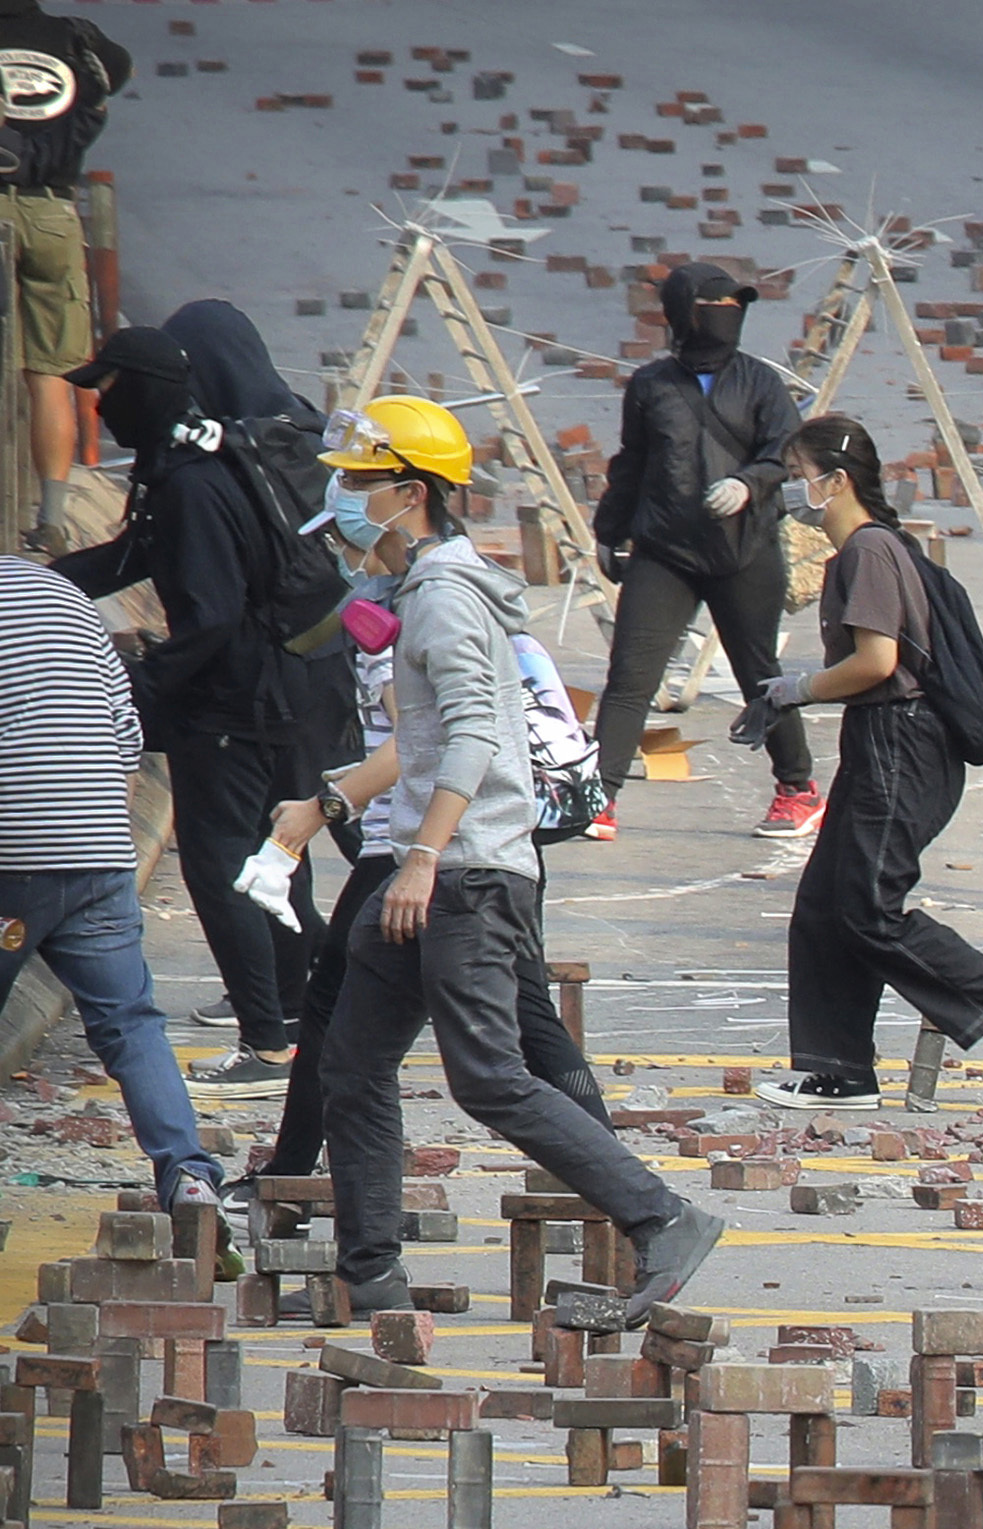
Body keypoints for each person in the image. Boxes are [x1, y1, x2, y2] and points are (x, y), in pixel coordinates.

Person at [303, 397, 716, 1330]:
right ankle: (371, 1278)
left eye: (359, 483)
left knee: (488, 1074)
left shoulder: (446, 597)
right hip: (435, 867)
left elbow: (479, 734)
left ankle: (666, 1219)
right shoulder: (418, 590)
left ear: (410, 495)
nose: (344, 498)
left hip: (466, 875)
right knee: (353, 1062)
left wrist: (421, 857)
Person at [250, 529, 618, 1227]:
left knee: (481, 1060)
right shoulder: (433, 593)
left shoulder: (430, 604)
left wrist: (337, 811)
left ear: (409, 499)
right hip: (464, 848)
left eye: (352, 504)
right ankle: (346, 1229)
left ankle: (638, 1207)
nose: (340, 538)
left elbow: (433, 738)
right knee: (392, 1036)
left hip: (437, 850)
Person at [50, 320, 351, 1091]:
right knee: (271, 862)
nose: (101, 411)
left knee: (223, 870)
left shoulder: (189, 482)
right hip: (273, 685)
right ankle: (298, 1010)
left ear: (144, 392)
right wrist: (45, 581)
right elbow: (134, 557)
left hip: (229, 703)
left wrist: (139, 691)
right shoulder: (192, 465)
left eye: (109, 393)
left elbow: (211, 615)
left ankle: (268, 1040)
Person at [750, 416, 983, 1115]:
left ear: (836, 481)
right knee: (825, 906)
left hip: (902, 743)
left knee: (867, 909)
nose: (794, 493)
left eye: (801, 476)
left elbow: (877, 663)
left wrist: (794, 689)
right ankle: (838, 1070)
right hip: (879, 741)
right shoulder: (863, 552)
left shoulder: (869, 552)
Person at [0, 545, 222, 1212]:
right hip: (98, 841)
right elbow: (127, 734)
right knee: (130, 1023)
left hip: (14, 849)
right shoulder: (64, 598)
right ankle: (189, 1176)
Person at [589, 261, 813, 842]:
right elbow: (631, 464)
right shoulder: (651, 385)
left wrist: (749, 484)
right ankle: (598, 796)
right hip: (665, 550)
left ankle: (798, 788)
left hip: (747, 548)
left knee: (759, 673)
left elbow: (785, 449)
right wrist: (609, 532)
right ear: (684, 313)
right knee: (630, 676)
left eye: (735, 308)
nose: (726, 317)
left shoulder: (761, 382)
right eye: (713, 307)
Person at [0, 0, 124, 494]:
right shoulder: (76, 38)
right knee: (51, 371)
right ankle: (49, 515)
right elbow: (118, 72)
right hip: (52, 212)